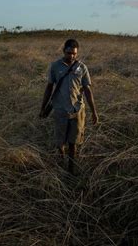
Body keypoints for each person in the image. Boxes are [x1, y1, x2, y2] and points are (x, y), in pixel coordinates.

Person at [39, 39, 98, 174]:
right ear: (63, 51)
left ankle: (71, 169)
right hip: (60, 110)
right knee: (60, 142)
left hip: (77, 110)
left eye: (74, 53)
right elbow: (49, 87)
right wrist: (43, 108)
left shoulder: (82, 68)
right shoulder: (55, 66)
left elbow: (88, 90)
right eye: (69, 53)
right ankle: (61, 159)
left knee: (73, 142)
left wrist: (94, 111)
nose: (71, 56)